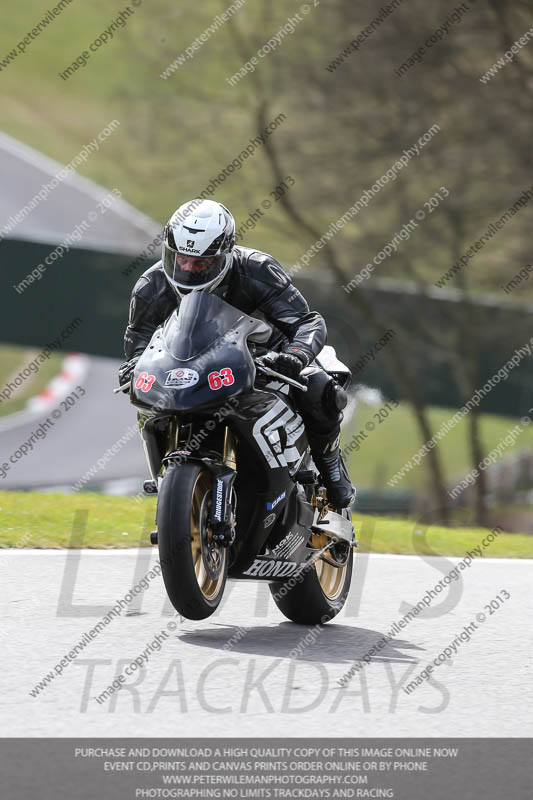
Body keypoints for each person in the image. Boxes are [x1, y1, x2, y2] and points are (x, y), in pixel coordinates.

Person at [119, 198, 355, 507]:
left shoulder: (257, 269)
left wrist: (294, 356)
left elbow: (306, 322)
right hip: (190, 371)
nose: (188, 269)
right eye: (181, 259)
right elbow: (139, 338)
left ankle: (331, 467)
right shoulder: (151, 285)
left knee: (319, 388)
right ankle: (167, 477)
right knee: (145, 400)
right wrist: (135, 364)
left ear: (224, 256)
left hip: (264, 364)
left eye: (201, 263)